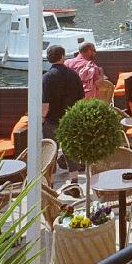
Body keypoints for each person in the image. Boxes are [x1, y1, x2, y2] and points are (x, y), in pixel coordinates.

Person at [42, 44, 84, 189]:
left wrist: (42, 119)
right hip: (70, 118)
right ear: (63, 57)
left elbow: (45, 104)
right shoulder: (73, 75)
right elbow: (81, 98)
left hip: (52, 120)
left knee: (51, 152)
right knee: (71, 150)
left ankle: (51, 185)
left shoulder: (47, 77)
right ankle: (74, 182)